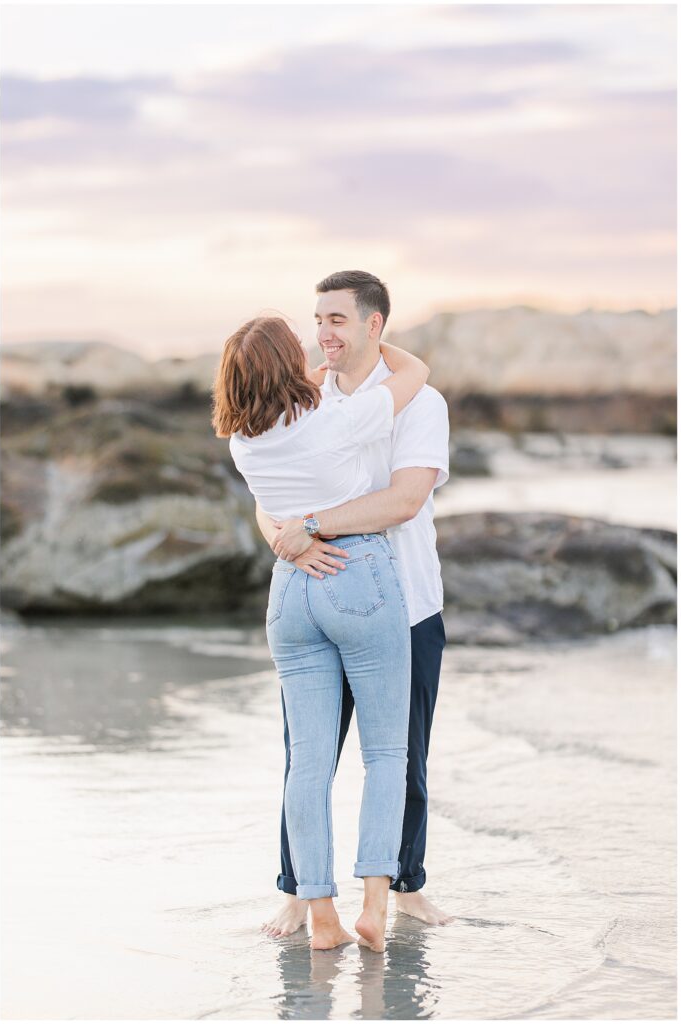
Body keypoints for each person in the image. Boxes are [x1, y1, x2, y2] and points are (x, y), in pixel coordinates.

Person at [212, 314, 430, 952]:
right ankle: (374, 906)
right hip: (358, 571)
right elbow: (415, 374)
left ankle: (320, 916)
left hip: (292, 586)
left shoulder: (244, 444)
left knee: (306, 763)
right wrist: (365, 335)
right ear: (291, 363)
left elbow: (280, 404)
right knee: (385, 755)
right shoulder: (338, 419)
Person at [256, 271, 452, 940]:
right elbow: (266, 502)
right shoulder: (302, 396)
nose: (322, 333)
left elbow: (403, 500)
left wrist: (312, 524)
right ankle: (296, 891)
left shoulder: (419, 402)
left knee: (403, 754)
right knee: (305, 754)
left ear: (373, 325)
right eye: (317, 319)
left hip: (406, 602)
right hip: (315, 586)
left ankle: (405, 885)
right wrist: (291, 543)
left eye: (337, 319)